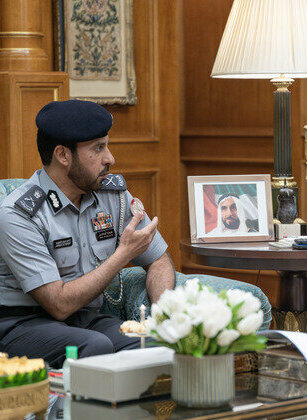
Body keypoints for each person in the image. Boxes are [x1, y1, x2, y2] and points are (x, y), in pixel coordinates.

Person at [0, 100, 176, 368]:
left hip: (84, 318)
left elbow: (159, 260)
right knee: (94, 346)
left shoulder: (111, 195)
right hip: (20, 324)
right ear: (63, 155)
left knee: (156, 342)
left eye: (107, 145)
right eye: (98, 148)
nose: (110, 158)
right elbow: (58, 304)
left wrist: (164, 315)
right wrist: (124, 253)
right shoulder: (19, 213)